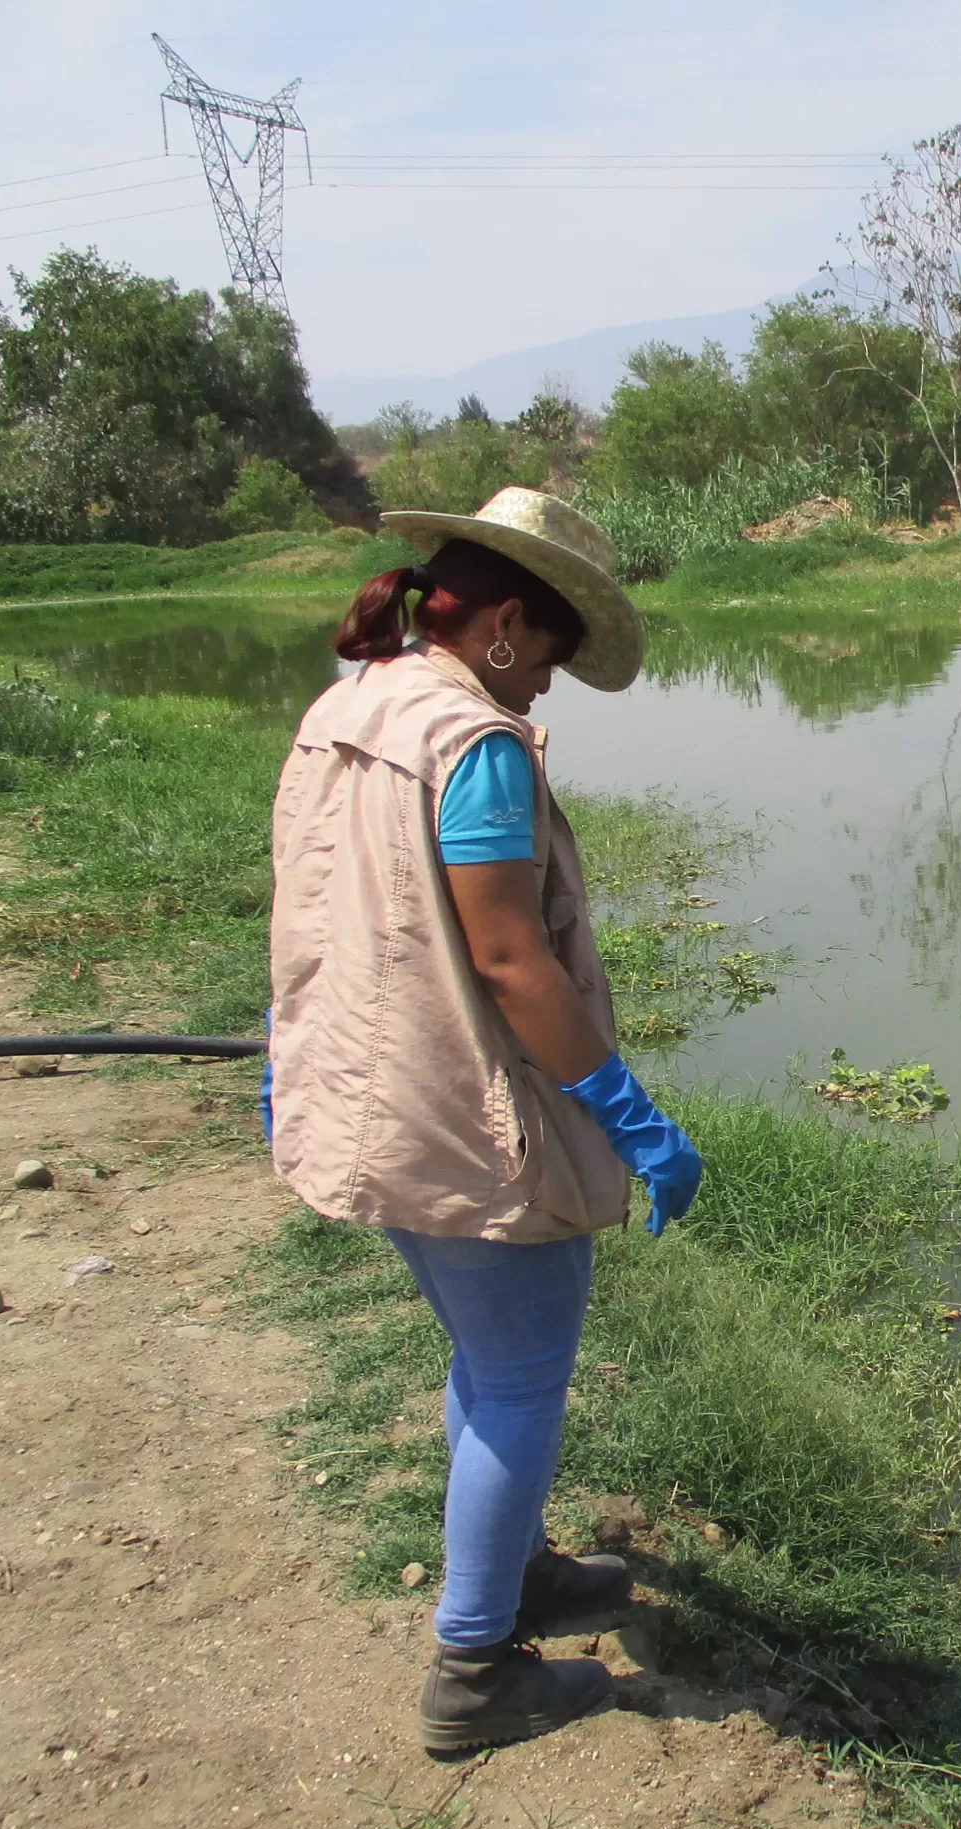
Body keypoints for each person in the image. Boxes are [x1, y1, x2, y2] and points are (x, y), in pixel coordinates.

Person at [263, 486, 703, 1757]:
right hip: (456, 1109)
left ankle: (516, 1574)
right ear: (508, 623)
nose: (549, 690)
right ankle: (474, 1669)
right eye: (553, 658)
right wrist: (629, 1115)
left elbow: (312, 898)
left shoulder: (346, 704)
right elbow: (511, 962)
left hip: (359, 1092)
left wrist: (284, 1060)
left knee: (481, 1356)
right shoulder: (476, 744)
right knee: (517, 1379)